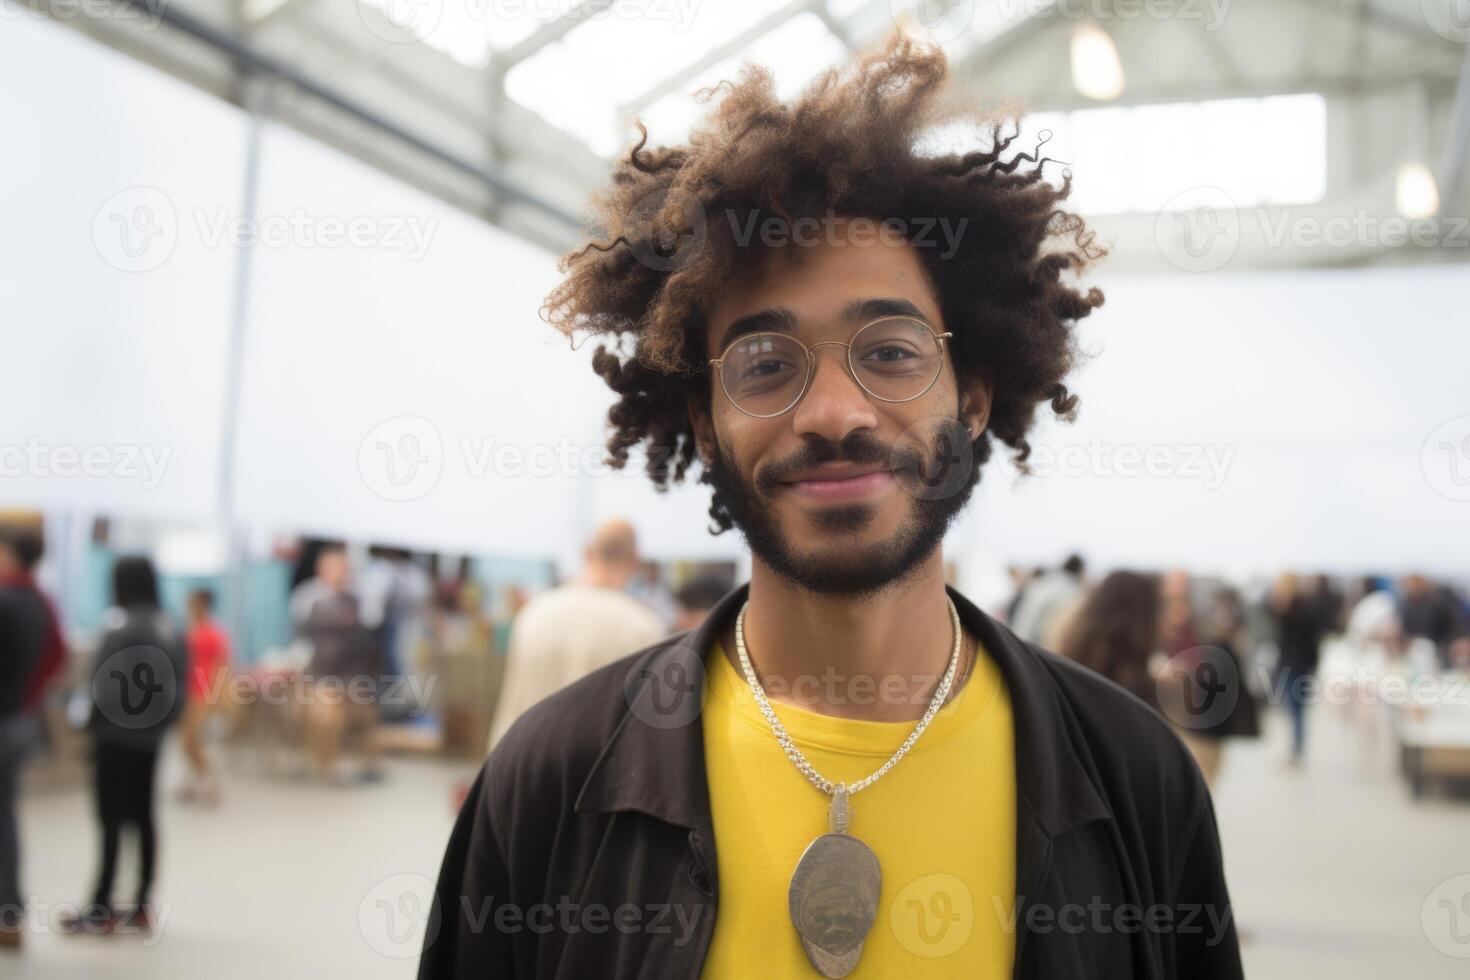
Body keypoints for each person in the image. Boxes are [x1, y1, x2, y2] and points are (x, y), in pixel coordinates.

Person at [421, 34, 1240, 979]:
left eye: (890, 351)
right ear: (707, 418)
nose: (835, 414)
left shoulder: (1137, 779)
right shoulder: (549, 776)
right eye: (766, 366)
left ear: (970, 396)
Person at [60, 556, 187, 936]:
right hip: (150, 738)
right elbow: (179, 691)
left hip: (114, 737)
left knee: (110, 819)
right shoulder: (171, 629)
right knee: (145, 815)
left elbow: (100, 687)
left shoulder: (117, 627)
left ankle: (101, 907)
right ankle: (142, 904)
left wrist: (87, 726)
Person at [484, 519, 667, 753]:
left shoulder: (534, 614)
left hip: (525, 764)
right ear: (635, 561)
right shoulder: (645, 627)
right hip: (595, 777)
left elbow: (511, 703)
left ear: (587, 553)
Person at [290, 545, 382, 783]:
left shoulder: (357, 597)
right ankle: (325, 763)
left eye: (345, 568)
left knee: (365, 718)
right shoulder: (308, 597)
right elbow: (301, 638)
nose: (342, 572)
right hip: (323, 671)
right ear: (323, 569)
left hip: (352, 671)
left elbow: (368, 632)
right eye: (337, 567)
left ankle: (368, 764)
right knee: (326, 719)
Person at [0, 527, 50, 949]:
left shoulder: (7, 601)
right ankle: (9, 915)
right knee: (6, 817)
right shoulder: (39, 601)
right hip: (21, 718)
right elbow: (56, 656)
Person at [177, 588, 231, 805]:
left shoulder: (213, 632)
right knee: (185, 741)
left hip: (204, 692)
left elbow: (222, 664)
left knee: (194, 739)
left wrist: (216, 694)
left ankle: (206, 778)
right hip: (188, 690)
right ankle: (196, 778)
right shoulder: (190, 630)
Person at [1269, 572, 1323, 768]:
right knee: (1294, 711)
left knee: (1295, 711)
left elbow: (1309, 640)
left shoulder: (1296, 609)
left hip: (1295, 666)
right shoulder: (1288, 607)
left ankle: (1296, 751)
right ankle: (1295, 749)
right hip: (1292, 665)